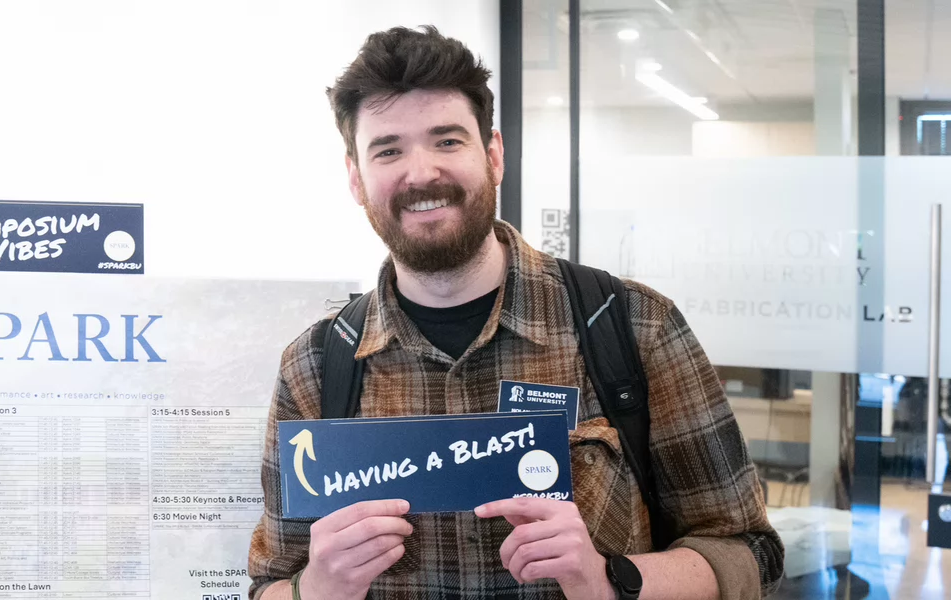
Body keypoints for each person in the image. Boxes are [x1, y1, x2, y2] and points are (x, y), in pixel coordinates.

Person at [247, 26, 784, 600]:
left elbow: (748, 550)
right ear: (356, 177)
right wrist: (316, 590)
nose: (422, 171)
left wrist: (609, 580)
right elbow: (268, 583)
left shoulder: (632, 325)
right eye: (388, 149)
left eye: (448, 141)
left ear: (494, 155)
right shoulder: (315, 366)